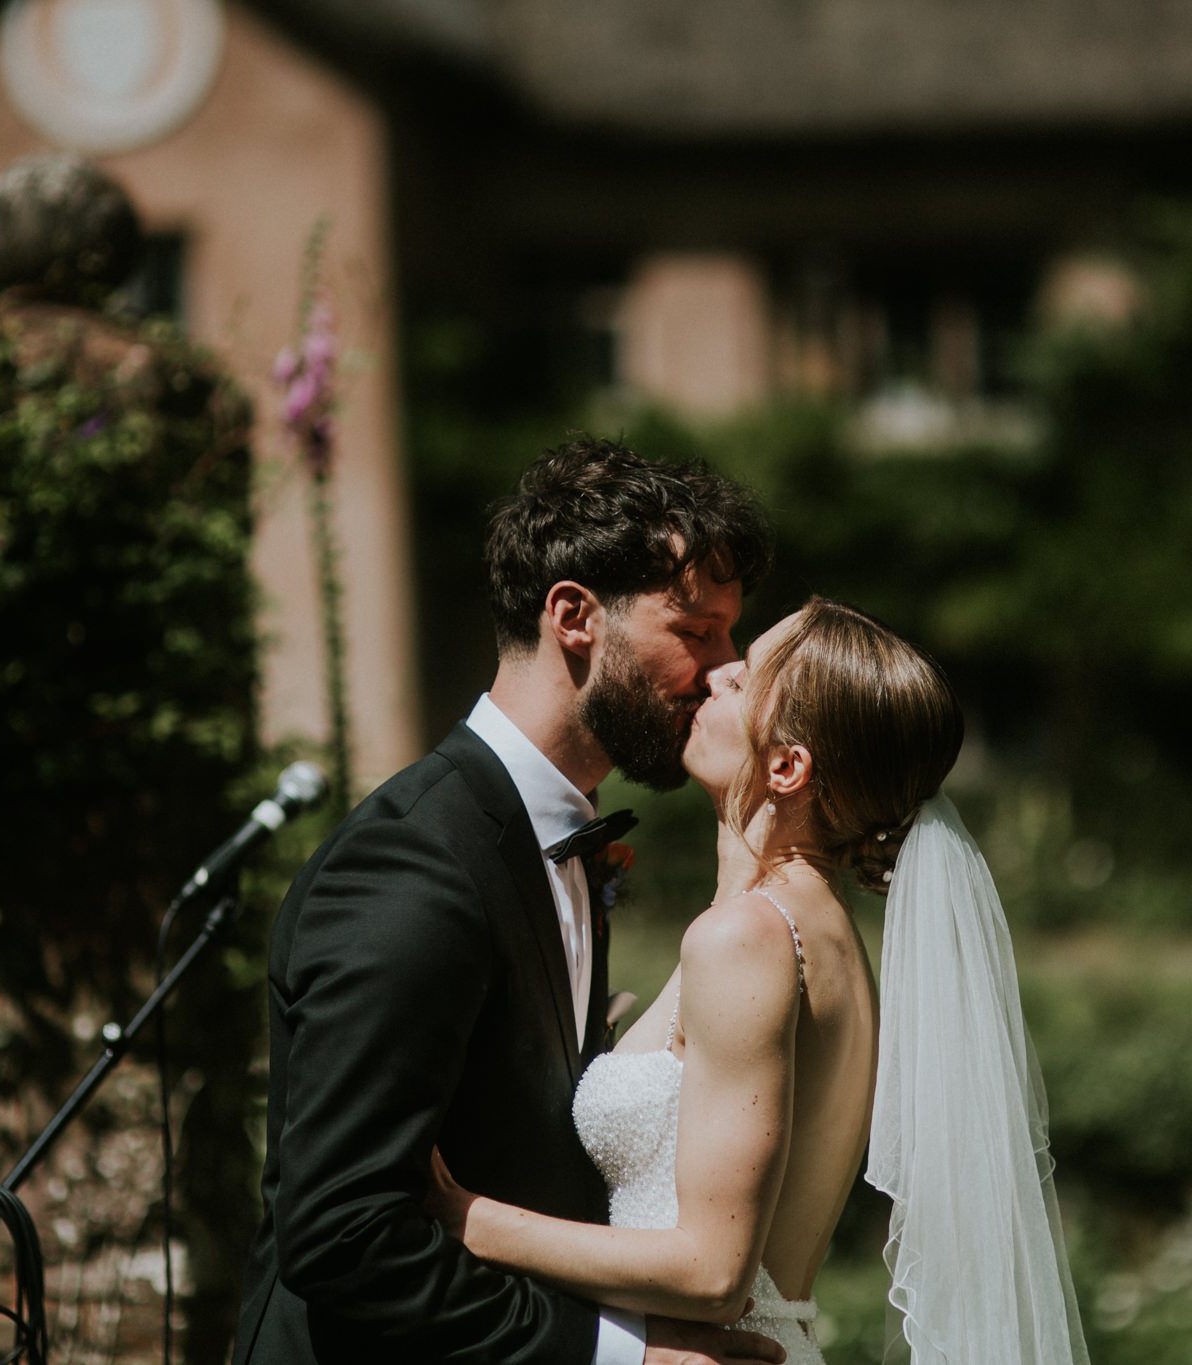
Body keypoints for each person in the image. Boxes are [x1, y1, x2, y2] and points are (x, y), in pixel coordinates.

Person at [232, 438, 788, 1365]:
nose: (726, 669)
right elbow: (342, 1231)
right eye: (695, 630)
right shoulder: (412, 864)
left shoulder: (560, 838)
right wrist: (619, 1357)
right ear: (574, 616)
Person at [425, 598, 1091, 1365]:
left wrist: (467, 1217)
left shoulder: (748, 938)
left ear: (786, 766)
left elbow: (712, 1272)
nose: (718, 671)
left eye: (745, 680)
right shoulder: (823, 935)